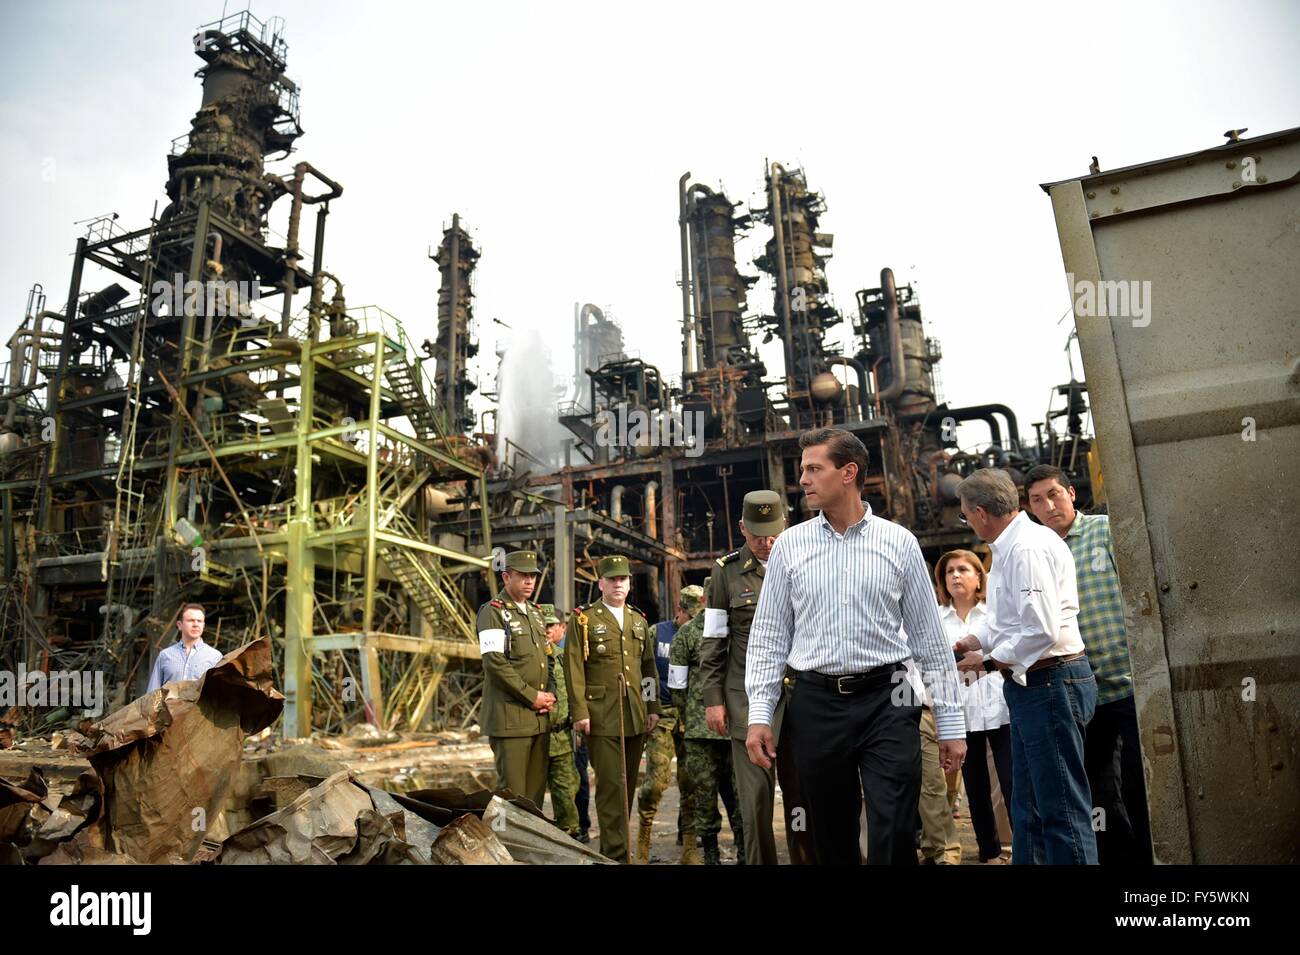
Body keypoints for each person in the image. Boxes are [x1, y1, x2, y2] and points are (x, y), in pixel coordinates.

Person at [746, 428, 966, 865]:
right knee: (830, 829)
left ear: (848, 473)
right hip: (815, 702)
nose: (803, 480)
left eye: (813, 469)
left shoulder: (899, 543)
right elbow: (769, 636)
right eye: (802, 470)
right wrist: (759, 714)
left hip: (890, 698)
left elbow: (928, 638)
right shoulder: (789, 546)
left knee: (894, 823)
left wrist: (951, 720)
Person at [955, 467, 1097, 865]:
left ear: (981, 513)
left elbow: (1040, 630)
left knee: (1061, 812)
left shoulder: (1026, 549)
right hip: (1033, 685)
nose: (968, 523)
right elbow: (1008, 619)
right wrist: (975, 640)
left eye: (966, 516)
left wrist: (986, 661)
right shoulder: (1010, 547)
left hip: (1049, 682)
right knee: (1029, 808)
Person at [1025, 464, 1152, 864]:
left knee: (1141, 782)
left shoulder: (1104, 531)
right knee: (1096, 790)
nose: (1048, 506)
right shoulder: (1038, 550)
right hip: (1080, 687)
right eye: (1036, 500)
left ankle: (1151, 856)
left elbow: (1140, 592)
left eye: (1054, 494)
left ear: (1071, 494)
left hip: (1130, 680)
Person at [699, 489, 814, 865]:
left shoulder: (806, 562)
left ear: (786, 525)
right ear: (741, 529)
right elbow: (714, 640)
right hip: (745, 701)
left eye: (773, 533)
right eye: (756, 534)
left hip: (801, 699)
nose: (765, 543)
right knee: (756, 804)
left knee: (802, 799)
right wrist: (713, 699)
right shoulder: (725, 571)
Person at [563, 554, 661, 862]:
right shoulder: (584, 619)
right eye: (613, 579)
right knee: (609, 789)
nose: (619, 584)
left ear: (630, 584)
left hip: (634, 714)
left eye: (624, 579)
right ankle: (615, 856)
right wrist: (579, 712)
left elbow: (648, 668)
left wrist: (652, 705)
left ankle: (619, 850)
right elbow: (573, 668)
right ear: (600, 582)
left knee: (627, 787)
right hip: (601, 716)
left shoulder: (638, 620)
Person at [940, 549, 1014, 864]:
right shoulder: (936, 619)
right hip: (961, 715)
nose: (956, 576)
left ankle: (1025, 847)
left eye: (963, 570)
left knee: (1013, 782)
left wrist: (982, 664)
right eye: (950, 572)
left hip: (1001, 709)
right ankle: (989, 851)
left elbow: (1011, 654)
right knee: (975, 787)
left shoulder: (994, 614)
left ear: (978, 577)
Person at [474, 549, 555, 810]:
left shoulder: (535, 612)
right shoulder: (493, 612)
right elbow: (494, 662)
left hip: (539, 719)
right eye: (523, 576)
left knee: (534, 796)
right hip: (510, 719)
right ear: (506, 577)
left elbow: (547, 659)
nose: (530, 581)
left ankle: (531, 848)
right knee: (512, 797)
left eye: (532, 576)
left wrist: (549, 694)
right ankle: (509, 848)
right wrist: (532, 696)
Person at [670, 587, 744, 864]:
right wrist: (691, 716)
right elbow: (677, 685)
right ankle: (711, 853)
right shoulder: (687, 634)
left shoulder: (739, 630)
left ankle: (744, 851)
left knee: (740, 797)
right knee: (704, 796)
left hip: (736, 730)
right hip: (703, 734)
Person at [636, 586, 699, 863]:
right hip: (662, 715)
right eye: (691, 616)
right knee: (655, 784)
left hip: (692, 719)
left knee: (691, 783)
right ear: (679, 610)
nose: (695, 622)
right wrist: (650, 707)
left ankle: (689, 847)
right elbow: (645, 671)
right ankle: (643, 840)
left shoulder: (702, 633)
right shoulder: (656, 633)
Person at [540, 603, 581, 838]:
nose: (546, 630)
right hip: (536, 737)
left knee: (566, 794)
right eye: (543, 625)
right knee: (529, 797)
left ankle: (570, 839)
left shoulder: (564, 658)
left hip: (562, 737)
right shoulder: (529, 657)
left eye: (550, 625)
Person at [147, 603, 223, 692]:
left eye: (199, 621)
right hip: (169, 706)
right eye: (191, 620)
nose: (195, 624)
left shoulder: (215, 657)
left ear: (203, 625)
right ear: (179, 625)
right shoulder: (165, 655)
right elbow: (152, 693)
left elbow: (219, 694)